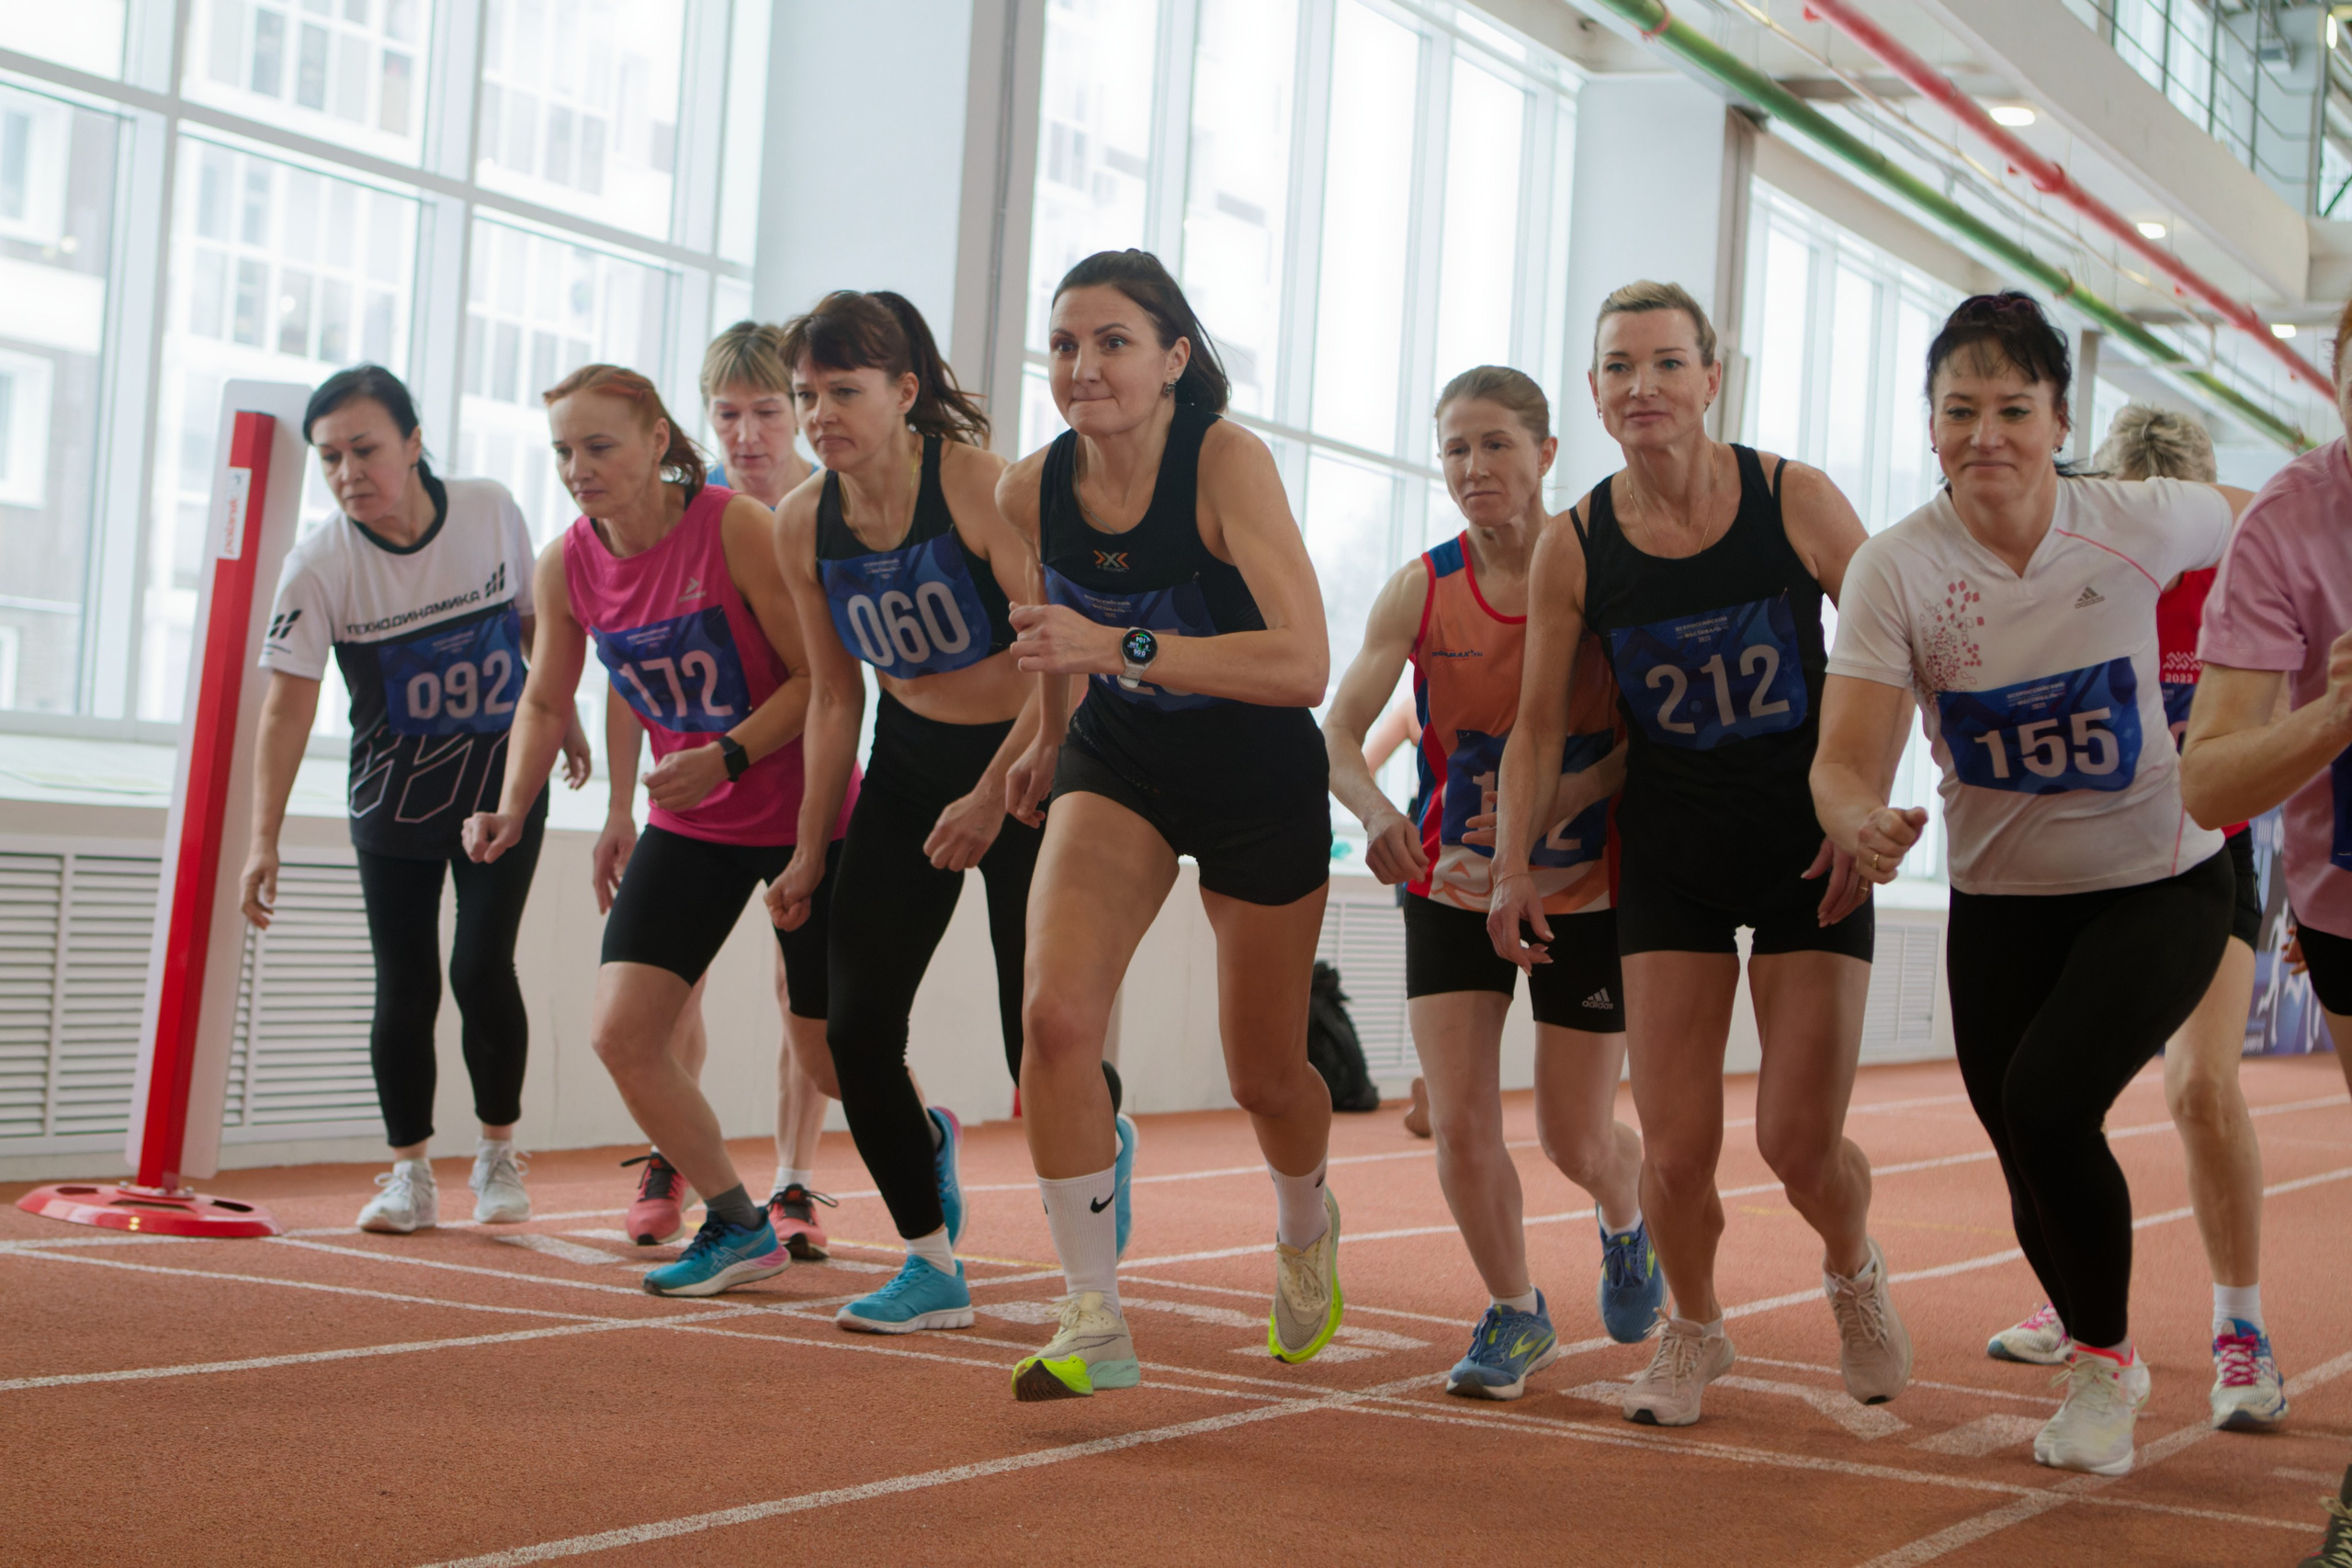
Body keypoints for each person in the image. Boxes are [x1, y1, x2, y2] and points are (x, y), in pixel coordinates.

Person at [1814, 293, 2252, 1476]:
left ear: (2060, 419)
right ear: (1931, 424)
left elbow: (2278, 527)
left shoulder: (2139, 520)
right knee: (2022, 1139)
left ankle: (2104, 1367)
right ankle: (2099, 1349)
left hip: (2161, 879)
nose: (1986, 435)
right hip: (2000, 903)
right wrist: (1861, 823)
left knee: (2053, 1102)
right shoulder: (1895, 569)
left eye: (2014, 409)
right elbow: (1844, 759)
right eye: (1959, 410)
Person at [1487, 280, 1909, 1428]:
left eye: (1668, 364)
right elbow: (1533, 726)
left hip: (1803, 848)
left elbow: (1892, 643)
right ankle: (1694, 1330)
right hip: (1668, 851)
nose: (1644, 388)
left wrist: (1860, 809)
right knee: (1673, 1150)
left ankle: (1854, 1272)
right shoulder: (1575, 544)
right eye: (1620, 368)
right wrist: (1513, 864)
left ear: (1711, 379)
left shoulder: (1793, 498)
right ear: (1594, 392)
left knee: (1796, 1144)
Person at [996, 249, 1338, 1400]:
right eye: (1063, 345)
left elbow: (1303, 664)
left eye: (1111, 343)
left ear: (1175, 359)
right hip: (1123, 759)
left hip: (1255, 772)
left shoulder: (1224, 463)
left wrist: (1119, 648)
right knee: (1053, 1019)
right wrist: (1047, 736)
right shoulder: (1026, 487)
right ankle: (1092, 1311)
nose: (1082, 367)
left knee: (1265, 1073)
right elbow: (1050, 629)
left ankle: (1303, 1219)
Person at [763, 289, 1135, 1335]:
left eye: (844, 391)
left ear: (905, 391)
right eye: (806, 396)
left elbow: (1059, 659)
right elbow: (838, 698)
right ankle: (929, 1263)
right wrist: (806, 852)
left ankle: (1105, 1133)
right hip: (910, 760)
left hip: (1031, 754)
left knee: (1043, 1037)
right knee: (855, 1027)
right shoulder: (804, 522)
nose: (820, 415)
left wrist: (994, 791)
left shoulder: (978, 487)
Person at [464, 364, 847, 1298]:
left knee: (833, 1057)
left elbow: (815, 683)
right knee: (624, 1032)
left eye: (599, 447)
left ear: (657, 444)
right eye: (562, 450)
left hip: (801, 809)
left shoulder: (734, 526)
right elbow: (548, 697)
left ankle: (922, 1140)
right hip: (694, 822)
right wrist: (514, 804)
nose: (577, 467)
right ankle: (734, 1219)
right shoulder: (568, 563)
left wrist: (726, 753)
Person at [1323, 365, 1655, 1401]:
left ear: (1547, 454)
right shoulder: (1422, 587)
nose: (1475, 467)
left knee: (1571, 1134)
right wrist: (1375, 814)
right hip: (1451, 886)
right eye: (1457, 448)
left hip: (1583, 892)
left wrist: (1559, 798)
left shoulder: (1606, 576)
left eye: (1497, 444)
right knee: (1462, 1119)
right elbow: (1334, 735)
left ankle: (1623, 1216)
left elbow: (1658, 742)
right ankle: (1515, 1310)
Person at [1984, 402, 2286, 1435]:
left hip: (2210, 854)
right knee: (2056, 1096)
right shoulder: (2082, 580)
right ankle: (2078, 1303)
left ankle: (2239, 1329)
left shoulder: (2239, 583)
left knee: (2200, 1086)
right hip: (2089, 865)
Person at [242, 365, 588, 1234]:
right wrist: (263, 838)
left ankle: (499, 1153)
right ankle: (408, 1173)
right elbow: (286, 706)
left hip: (501, 784)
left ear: (414, 442)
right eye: (329, 458)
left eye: (365, 450)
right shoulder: (319, 563)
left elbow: (534, 628)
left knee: (480, 965)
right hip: (392, 798)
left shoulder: (489, 509)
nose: (348, 472)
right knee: (406, 981)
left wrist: (564, 719)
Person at [602, 321, 843, 1257]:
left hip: (805, 786)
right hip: (693, 799)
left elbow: (832, 678)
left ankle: (792, 1183)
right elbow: (627, 670)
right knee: (673, 989)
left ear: (798, 414)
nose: (746, 433)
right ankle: (676, 1156)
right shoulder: (678, 514)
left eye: (767, 411)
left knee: (801, 993)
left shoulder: (828, 511)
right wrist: (621, 805)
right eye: (727, 413)